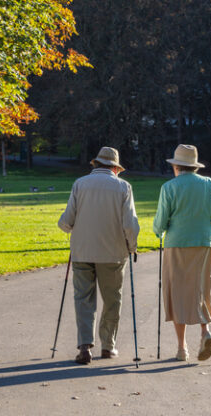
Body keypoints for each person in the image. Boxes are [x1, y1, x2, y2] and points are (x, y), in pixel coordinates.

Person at [58, 147, 140, 364]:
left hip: (82, 251)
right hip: (113, 253)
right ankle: (108, 346)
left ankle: (85, 346)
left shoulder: (80, 184)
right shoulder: (123, 187)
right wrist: (132, 247)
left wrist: (69, 227)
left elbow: (66, 222)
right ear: (115, 167)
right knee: (112, 299)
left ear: (96, 164)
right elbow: (130, 224)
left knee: (83, 298)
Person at [153, 144, 211, 361]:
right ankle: (205, 331)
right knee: (202, 288)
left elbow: (160, 223)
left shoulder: (169, 187)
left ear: (177, 167)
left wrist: (158, 232)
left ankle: (182, 348)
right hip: (203, 243)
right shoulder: (210, 184)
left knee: (177, 292)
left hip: (176, 244)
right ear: (194, 166)